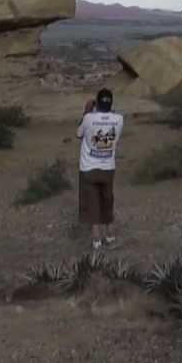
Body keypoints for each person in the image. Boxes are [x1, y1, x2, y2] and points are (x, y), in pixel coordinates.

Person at [77, 88, 123, 251]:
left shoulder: (88, 118)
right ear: (111, 103)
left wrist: (86, 111)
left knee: (92, 202)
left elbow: (79, 133)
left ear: (97, 102)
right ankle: (110, 235)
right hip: (108, 167)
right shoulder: (119, 119)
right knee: (107, 201)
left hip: (89, 167)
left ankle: (96, 239)